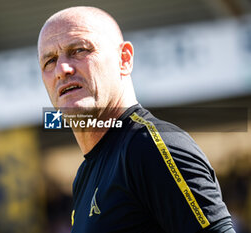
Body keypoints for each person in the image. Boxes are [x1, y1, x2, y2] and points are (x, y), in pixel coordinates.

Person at [38, 6, 235, 233]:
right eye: (49, 61)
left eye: (79, 50)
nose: (62, 69)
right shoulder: (85, 174)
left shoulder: (151, 146)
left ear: (124, 59)